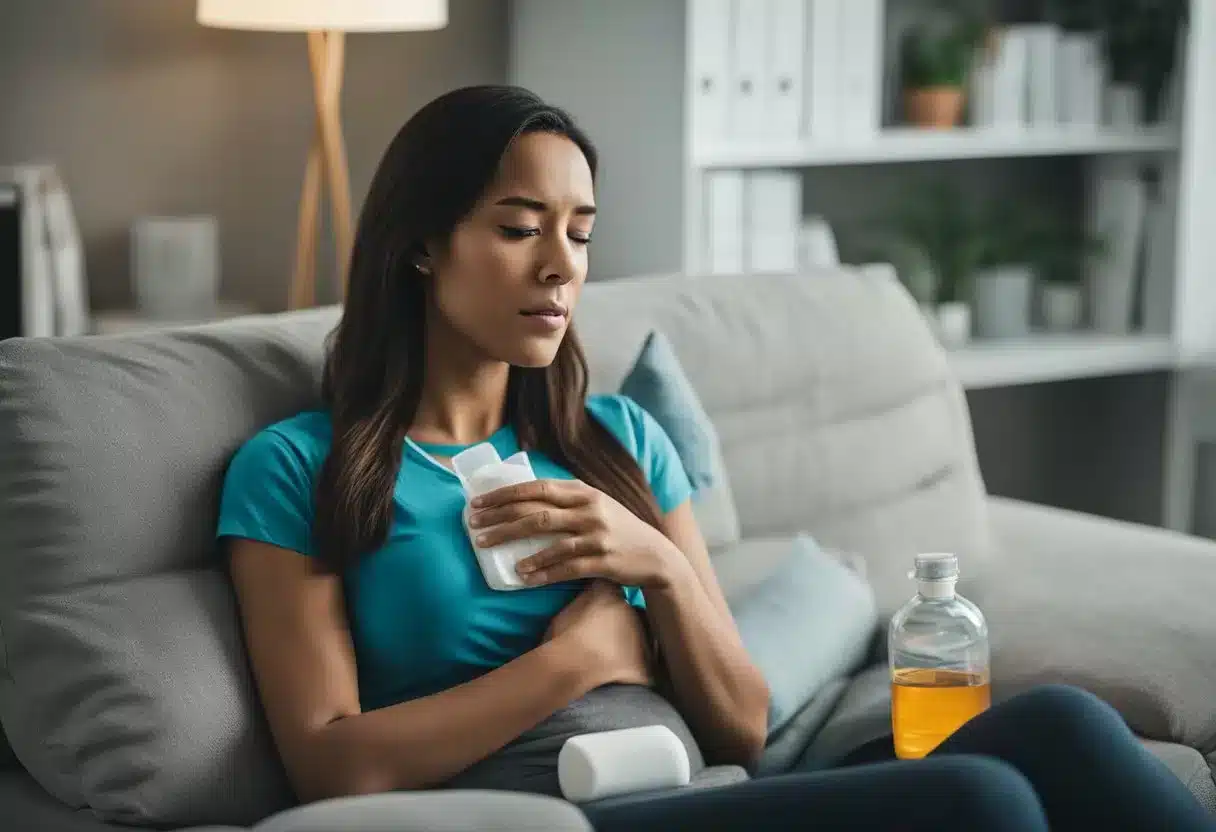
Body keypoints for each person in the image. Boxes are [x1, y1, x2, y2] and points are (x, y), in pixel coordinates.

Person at [216, 85, 1215, 832]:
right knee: (979, 797)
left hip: (711, 784)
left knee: (1064, 728)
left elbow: (739, 725)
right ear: (422, 247)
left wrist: (651, 559)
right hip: (555, 815)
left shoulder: (616, 442)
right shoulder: (303, 467)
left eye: (579, 230)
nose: (560, 264)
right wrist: (576, 660)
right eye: (518, 228)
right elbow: (330, 767)